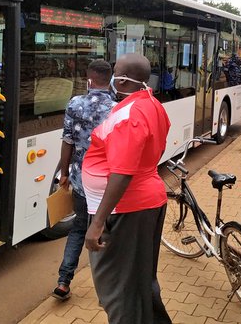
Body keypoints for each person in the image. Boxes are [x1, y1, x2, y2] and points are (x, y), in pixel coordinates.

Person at [82, 53, 172, 324]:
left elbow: (122, 173)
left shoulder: (129, 116)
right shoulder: (151, 104)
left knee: (119, 290)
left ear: (120, 80)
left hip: (126, 210)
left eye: (114, 72)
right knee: (139, 282)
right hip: (142, 203)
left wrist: (97, 223)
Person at [52, 60, 115, 301]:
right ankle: (108, 288)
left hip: (80, 180)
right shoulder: (117, 108)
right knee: (104, 231)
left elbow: (68, 140)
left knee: (79, 228)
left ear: (89, 79)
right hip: (108, 184)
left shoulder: (75, 104)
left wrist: (65, 173)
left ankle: (64, 281)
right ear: (109, 79)